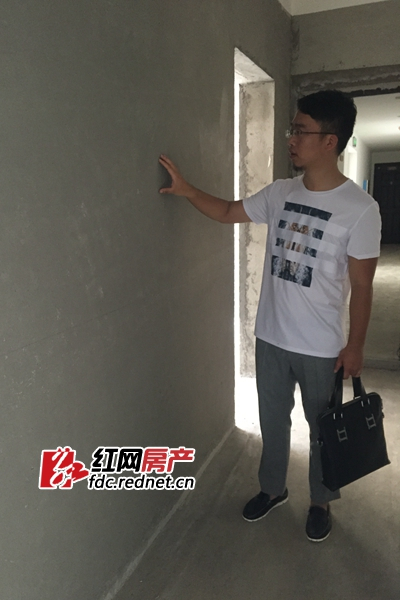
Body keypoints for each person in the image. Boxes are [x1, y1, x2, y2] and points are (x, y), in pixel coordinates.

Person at [158, 90, 381, 542]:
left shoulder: (361, 209)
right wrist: (187, 190)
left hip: (320, 347)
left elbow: (362, 286)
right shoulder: (281, 192)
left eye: (301, 131)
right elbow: (227, 211)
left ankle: (320, 501)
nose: (291, 139)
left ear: (330, 141)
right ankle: (273, 489)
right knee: (272, 423)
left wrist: (355, 345)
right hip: (271, 337)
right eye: (291, 130)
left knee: (322, 432)